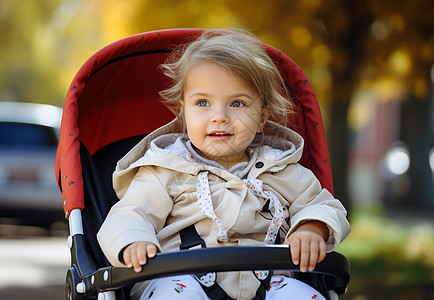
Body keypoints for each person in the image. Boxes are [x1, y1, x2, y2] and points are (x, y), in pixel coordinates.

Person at [97, 29, 351, 300]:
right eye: (203, 102)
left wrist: (312, 227)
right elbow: (130, 213)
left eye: (237, 103)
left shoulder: (283, 170)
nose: (219, 117)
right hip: (181, 279)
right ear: (182, 111)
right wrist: (134, 241)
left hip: (271, 283)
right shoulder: (166, 170)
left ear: (263, 117)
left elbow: (323, 205)